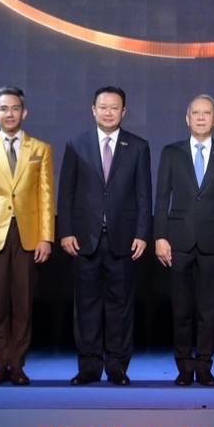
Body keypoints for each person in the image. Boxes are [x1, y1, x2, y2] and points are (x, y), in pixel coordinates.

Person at [58, 86, 151, 386]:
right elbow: (66, 192)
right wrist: (65, 231)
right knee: (86, 306)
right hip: (85, 238)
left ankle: (117, 367)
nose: (108, 112)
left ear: (124, 111)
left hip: (124, 239)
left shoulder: (138, 146)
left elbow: (143, 194)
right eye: (103, 107)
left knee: (120, 307)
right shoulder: (76, 144)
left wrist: (142, 233)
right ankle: (88, 367)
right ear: (93, 110)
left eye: (114, 107)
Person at [0, 86, 54, 387]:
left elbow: (46, 196)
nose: (9, 113)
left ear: (24, 113)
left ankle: (16, 364)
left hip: (28, 235)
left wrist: (46, 237)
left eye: (15, 108)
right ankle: (0, 363)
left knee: (23, 303)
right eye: (3, 109)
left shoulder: (40, 149)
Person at [154, 94, 214, 387]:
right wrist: (160, 236)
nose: (201, 118)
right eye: (196, 113)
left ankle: (204, 366)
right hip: (177, 241)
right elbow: (161, 198)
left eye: (206, 113)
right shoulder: (171, 152)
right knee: (181, 310)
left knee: (208, 310)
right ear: (187, 118)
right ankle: (183, 367)